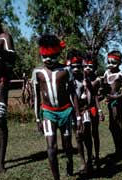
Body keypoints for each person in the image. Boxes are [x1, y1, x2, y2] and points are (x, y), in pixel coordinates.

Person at [31, 34, 80, 180]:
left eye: (51, 57)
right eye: (44, 57)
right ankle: (56, 177)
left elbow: (73, 94)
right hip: (48, 113)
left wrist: (77, 115)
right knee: (51, 148)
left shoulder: (66, 70)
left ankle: (70, 161)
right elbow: (36, 97)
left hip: (66, 111)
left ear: (57, 55)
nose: (47, 60)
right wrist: (37, 119)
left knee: (67, 146)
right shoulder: (37, 73)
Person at [67, 49, 93, 175]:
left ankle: (89, 161)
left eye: (78, 67)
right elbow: (71, 98)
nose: (76, 69)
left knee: (87, 134)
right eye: (73, 67)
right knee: (78, 137)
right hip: (73, 112)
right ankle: (83, 161)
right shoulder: (68, 82)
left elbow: (91, 95)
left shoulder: (85, 80)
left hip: (84, 110)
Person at [0, 9, 15, 173]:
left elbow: (11, 58)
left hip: (0, 84)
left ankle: (1, 162)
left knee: (0, 121)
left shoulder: (4, 37)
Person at [103, 50, 122, 160]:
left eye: (113, 63)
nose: (110, 65)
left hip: (117, 102)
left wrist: (115, 96)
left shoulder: (120, 74)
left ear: (119, 63)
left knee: (117, 126)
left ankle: (120, 151)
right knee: (112, 126)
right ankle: (117, 150)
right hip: (110, 102)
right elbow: (105, 87)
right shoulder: (106, 73)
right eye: (108, 62)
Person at [83, 57, 104, 168]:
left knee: (95, 133)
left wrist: (99, 110)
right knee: (85, 134)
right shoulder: (78, 79)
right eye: (85, 66)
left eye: (90, 66)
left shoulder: (96, 80)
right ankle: (89, 156)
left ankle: (96, 155)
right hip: (82, 110)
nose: (87, 68)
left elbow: (95, 95)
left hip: (92, 108)